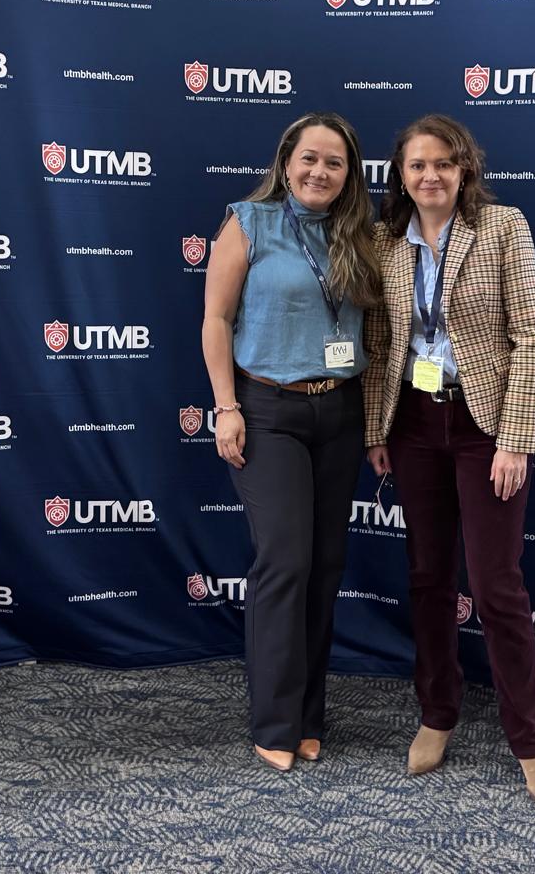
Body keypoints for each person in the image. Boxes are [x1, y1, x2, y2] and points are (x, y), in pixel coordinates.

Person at [362, 114, 535, 808]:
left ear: (465, 169)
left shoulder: (503, 227)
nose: (431, 176)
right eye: (418, 165)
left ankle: (531, 741)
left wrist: (515, 439)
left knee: (497, 584)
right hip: (414, 423)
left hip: (485, 426)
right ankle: (437, 713)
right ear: (401, 174)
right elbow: (383, 344)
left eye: (444, 163)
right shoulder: (387, 241)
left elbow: (530, 338)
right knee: (427, 577)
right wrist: (376, 428)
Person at [201, 112, 382, 772]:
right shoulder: (248, 223)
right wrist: (226, 407)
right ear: (285, 162)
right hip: (267, 409)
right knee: (286, 561)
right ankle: (274, 720)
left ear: (349, 174)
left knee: (326, 565)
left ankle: (308, 716)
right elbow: (216, 318)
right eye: (309, 158)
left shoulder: (360, 234)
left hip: (340, 410)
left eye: (335, 162)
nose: (319, 172)